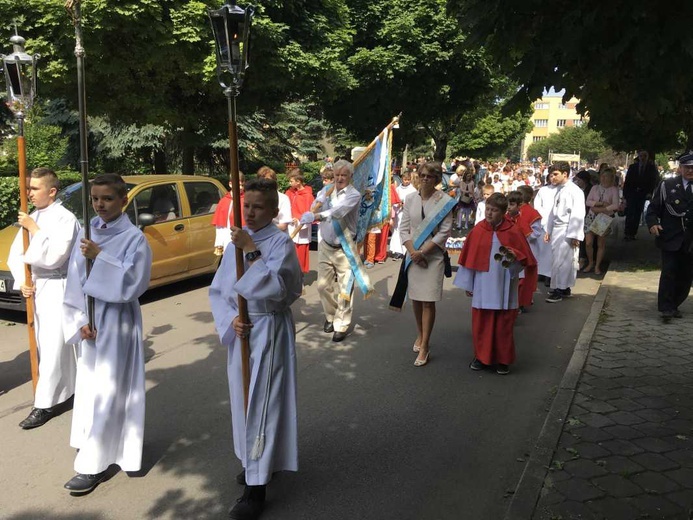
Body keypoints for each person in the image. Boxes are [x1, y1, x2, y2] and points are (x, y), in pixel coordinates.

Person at [209, 178, 302, 520]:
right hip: (244, 331)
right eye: (246, 205)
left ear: (274, 211)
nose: (249, 211)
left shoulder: (279, 244)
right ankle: (254, 461)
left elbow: (278, 290)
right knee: (243, 401)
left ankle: (257, 488)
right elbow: (219, 290)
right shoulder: (236, 241)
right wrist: (230, 319)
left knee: (263, 403)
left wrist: (251, 250)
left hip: (268, 330)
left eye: (258, 206)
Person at [62, 173, 152, 493]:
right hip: (92, 317)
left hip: (118, 317)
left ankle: (96, 463)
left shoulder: (133, 238)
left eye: (107, 198)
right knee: (90, 385)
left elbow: (134, 281)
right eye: (95, 198)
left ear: (124, 200)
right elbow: (74, 277)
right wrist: (78, 318)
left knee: (111, 387)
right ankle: (93, 440)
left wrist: (100, 257)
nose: (100, 204)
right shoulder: (88, 232)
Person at [7, 167, 80, 429]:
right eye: (28, 188)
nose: (29, 193)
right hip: (39, 289)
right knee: (48, 345)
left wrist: (35, 229)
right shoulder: (33, 215)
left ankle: (44, 404)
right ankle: (70, 389)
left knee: (54, 346)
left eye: (35, 189)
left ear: (52, 191)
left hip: (60, 288)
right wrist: (23, 281)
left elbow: (55, 257)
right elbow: (17, 254)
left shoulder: (65, 218)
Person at [454, 193, 535, 375]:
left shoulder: (513, 231)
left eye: (494, 210)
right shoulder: (478, 230)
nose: (489, 214)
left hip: (505, 283)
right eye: (488, 209)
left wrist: (515, 256)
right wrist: (469, 284)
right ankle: (482, 357)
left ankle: (503, 359)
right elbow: (469, 258)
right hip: (483, 283)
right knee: (482, 322)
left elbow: (524, 260)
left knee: (503, 323)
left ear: (503, 212)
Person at [394, 162, 455, 366]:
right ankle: (420, 334)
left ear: (437, 179)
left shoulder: (444, 201)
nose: (425, 179)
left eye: (430, 176)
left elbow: (445, 231)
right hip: (413, 255)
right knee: (417, 300)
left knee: (428, 300)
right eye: (422, 175)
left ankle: (426, 344)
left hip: (433, 256)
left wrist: (423, 252)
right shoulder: (410, 199)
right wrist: (413, 251)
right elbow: (403, 229)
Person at [302, 160, 370, 342]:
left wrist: (316, 215)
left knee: (345, 288)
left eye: (343, 175)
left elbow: (338, 212)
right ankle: (331, 316)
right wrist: (317, 202)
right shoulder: (326, 191)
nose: (339, 178)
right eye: (337, 175)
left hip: (345, 247)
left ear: (350, 177)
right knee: (322, 286)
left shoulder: (354, 195)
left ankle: (341, 324)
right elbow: (314, 207)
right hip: (326, 246)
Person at [646, 151, 693, 323]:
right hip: (671, 237)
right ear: (680, 168)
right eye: (687, 167)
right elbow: (653, 209)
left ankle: (674, 303)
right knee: (669, 272)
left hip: (690, 240)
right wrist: (652, 224)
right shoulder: (668, 185)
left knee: (686, 276)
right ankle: (666, 308)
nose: (690, 171)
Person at [544, 162, 586, 303]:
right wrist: (549, 229)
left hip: (567, 229)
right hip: (558, 228)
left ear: (565, 174)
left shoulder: (575, 191)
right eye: (551, 174)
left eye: (555, 174)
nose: (552, 177)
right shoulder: (559, 190)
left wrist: (575, 234)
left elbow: (578, 213)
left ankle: (559, 289)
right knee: (559, 259)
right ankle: (564, 286)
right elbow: (552, 212)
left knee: (563, 261)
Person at [582, 167, 620, 274]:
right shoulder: (595, 188)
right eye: (602, 177)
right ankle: (590, 262)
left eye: (606, 177)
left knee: (600, 243)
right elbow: (588, 201)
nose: (603, 179)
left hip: (603, 218)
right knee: (588, 242)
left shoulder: (613, 189)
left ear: (611, 178)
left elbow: (615, 205)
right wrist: (600, 204)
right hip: (591, 216)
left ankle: (597, 266)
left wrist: (603, 209)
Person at [508, 189, 540, 313]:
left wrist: (523, 227)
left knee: (523, 280)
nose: (508, 208)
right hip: (512, 251)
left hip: (527, 249)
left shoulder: (532, 213)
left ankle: (521, 303)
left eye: (511, 204)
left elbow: (536, 234)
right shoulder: (506, 215)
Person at [623, 150, 660, 240]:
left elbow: (653, 181)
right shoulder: (633, 167)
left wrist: (650, 193)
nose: (642, 158)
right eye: (641, 156)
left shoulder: (651, 168)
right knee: (630, 213)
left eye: (644, 156)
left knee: (637, 213)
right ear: (638, 157)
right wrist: (625, 195)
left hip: (642, 194)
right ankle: (627, 232)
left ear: (647, 157)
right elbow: (627, 181)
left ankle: (633, 233)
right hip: (632, 193)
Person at [285, 169, 314, 273]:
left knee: (300, 253)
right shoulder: (289, 192)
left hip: (301, 228)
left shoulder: (307, 195)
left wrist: (299, 219)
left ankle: (299, 275)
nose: (289, 183)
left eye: (291, 181)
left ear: (298, 181)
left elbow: (309, 212)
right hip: (290, 225)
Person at [212, 172, 245, 255]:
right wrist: (219, 242)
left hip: (244, 238)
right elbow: (220, 225)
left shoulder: (248, 199)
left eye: (242, 185)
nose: (241, 187)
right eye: (239, 185)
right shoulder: (224, 201)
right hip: (228, 239)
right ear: (230, 184)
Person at [390, 172, 417, 258]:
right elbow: (394, 200)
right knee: (397, 230)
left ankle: (406, 250)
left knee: (405, 231)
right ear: (402, 179)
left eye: (408, 180)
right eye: (405, 180)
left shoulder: (413, 190)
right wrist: (398, 204)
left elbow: (414, 202)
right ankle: (397, 250)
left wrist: (405, 204)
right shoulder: (398, 189)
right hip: (399, 212)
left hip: (407, 212)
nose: (406, 181)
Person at [257, 166, 292, 232]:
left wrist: (264, 230)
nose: (265, 183)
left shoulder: (283, 199)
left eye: (268, 180)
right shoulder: (256, 198)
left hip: (277, 238)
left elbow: (283, 225)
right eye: (262, 180)